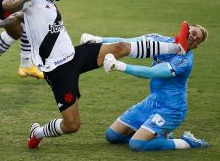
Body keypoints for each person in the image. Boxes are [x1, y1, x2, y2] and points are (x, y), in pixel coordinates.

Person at [0, 0, 190, 149]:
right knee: (72, 125)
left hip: (74, 56)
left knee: (121, 47)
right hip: (58, 71)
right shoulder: (33, 0)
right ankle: (37, 132)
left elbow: (17, 16)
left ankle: (176, 46)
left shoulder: (47, 3)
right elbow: (6, 3)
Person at [80, 25, 210, 151]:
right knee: (112, 136)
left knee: (137, 144)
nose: (193, 37)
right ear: (185, 30)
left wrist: (119, 66)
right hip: (152, 102)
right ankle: (155, 134)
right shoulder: (161, 40)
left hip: (171, 109)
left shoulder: (185, 61)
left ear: (196, 46)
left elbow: (152, 72)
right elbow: (130, 42)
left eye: (197, 38)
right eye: (193, 32)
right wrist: (99, 40)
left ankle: (187, 142)